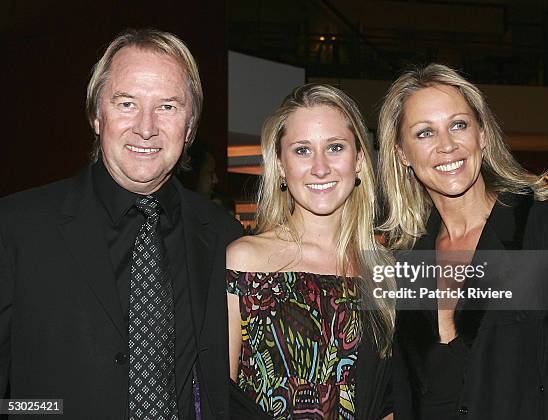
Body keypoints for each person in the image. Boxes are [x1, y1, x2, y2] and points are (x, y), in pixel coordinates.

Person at [0, 29, 242, 420]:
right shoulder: (16, 229)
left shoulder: (225, 237)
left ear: (191, 126)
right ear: (97, 115)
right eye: (127, 103)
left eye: (167, 107)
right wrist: (44, 410)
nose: (146, 127)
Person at [377, 64, 548, 419]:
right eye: (424, 133)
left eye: (459, 125)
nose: (447, 145)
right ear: (402, 153)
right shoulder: (405, 257)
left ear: (482, 135)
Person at [226, 84, 395, 419]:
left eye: (335, 147)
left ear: (360, 160)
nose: (320, 168)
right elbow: (221, 397)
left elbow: (391, 400)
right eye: (302, 150)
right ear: (280, 164)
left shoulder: (385, 271)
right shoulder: (244, 261)